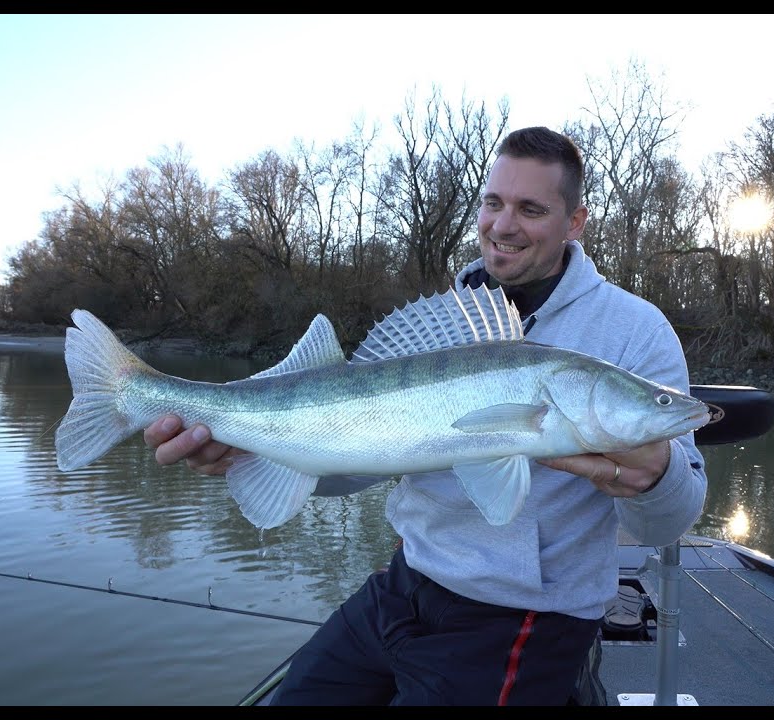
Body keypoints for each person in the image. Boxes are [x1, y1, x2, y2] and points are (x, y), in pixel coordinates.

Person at [143, 126, 708, 705]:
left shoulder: (635, 332)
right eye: (494, 203)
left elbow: (666, 523)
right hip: (408, 582)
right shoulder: (451, 317)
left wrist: (658, 475)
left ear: (576, 222)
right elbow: (365, 460)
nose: (503, 225)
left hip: (528, 615)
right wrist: (253, 446)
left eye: (531, 209)